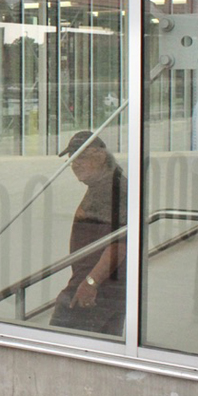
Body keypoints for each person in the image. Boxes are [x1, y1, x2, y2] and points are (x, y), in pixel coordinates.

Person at [49, 130, 127, 336]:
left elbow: (119, 243)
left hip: (96, 288)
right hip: (105, 287)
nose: (75, 164)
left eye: (81, 157)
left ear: (100, 156)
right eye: (72, 159)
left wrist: (91, 283)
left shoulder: (110, 187)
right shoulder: (105, 183)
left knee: (58, 342)